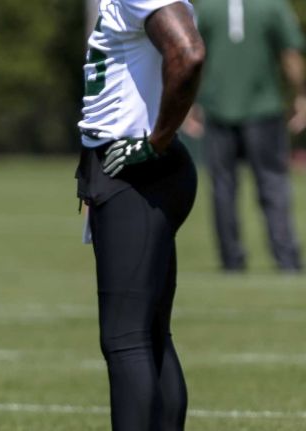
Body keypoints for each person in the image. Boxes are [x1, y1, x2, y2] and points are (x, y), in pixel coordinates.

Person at [76, 1, 204, 430]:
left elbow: (188, 54)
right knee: (147, 335)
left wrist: (156, 141)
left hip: (136, 174)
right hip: (135, 169)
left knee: (125, 339)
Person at [186, 0, 305, 273]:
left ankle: (231, 260)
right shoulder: (272, 6)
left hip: (218, 109)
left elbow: (192, 53)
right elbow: (290, 53)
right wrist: (300, 95)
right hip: (264, 109)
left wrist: (189, 101)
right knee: (273, 184)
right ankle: (286, 259)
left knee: (223, 188)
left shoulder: (206, 8)